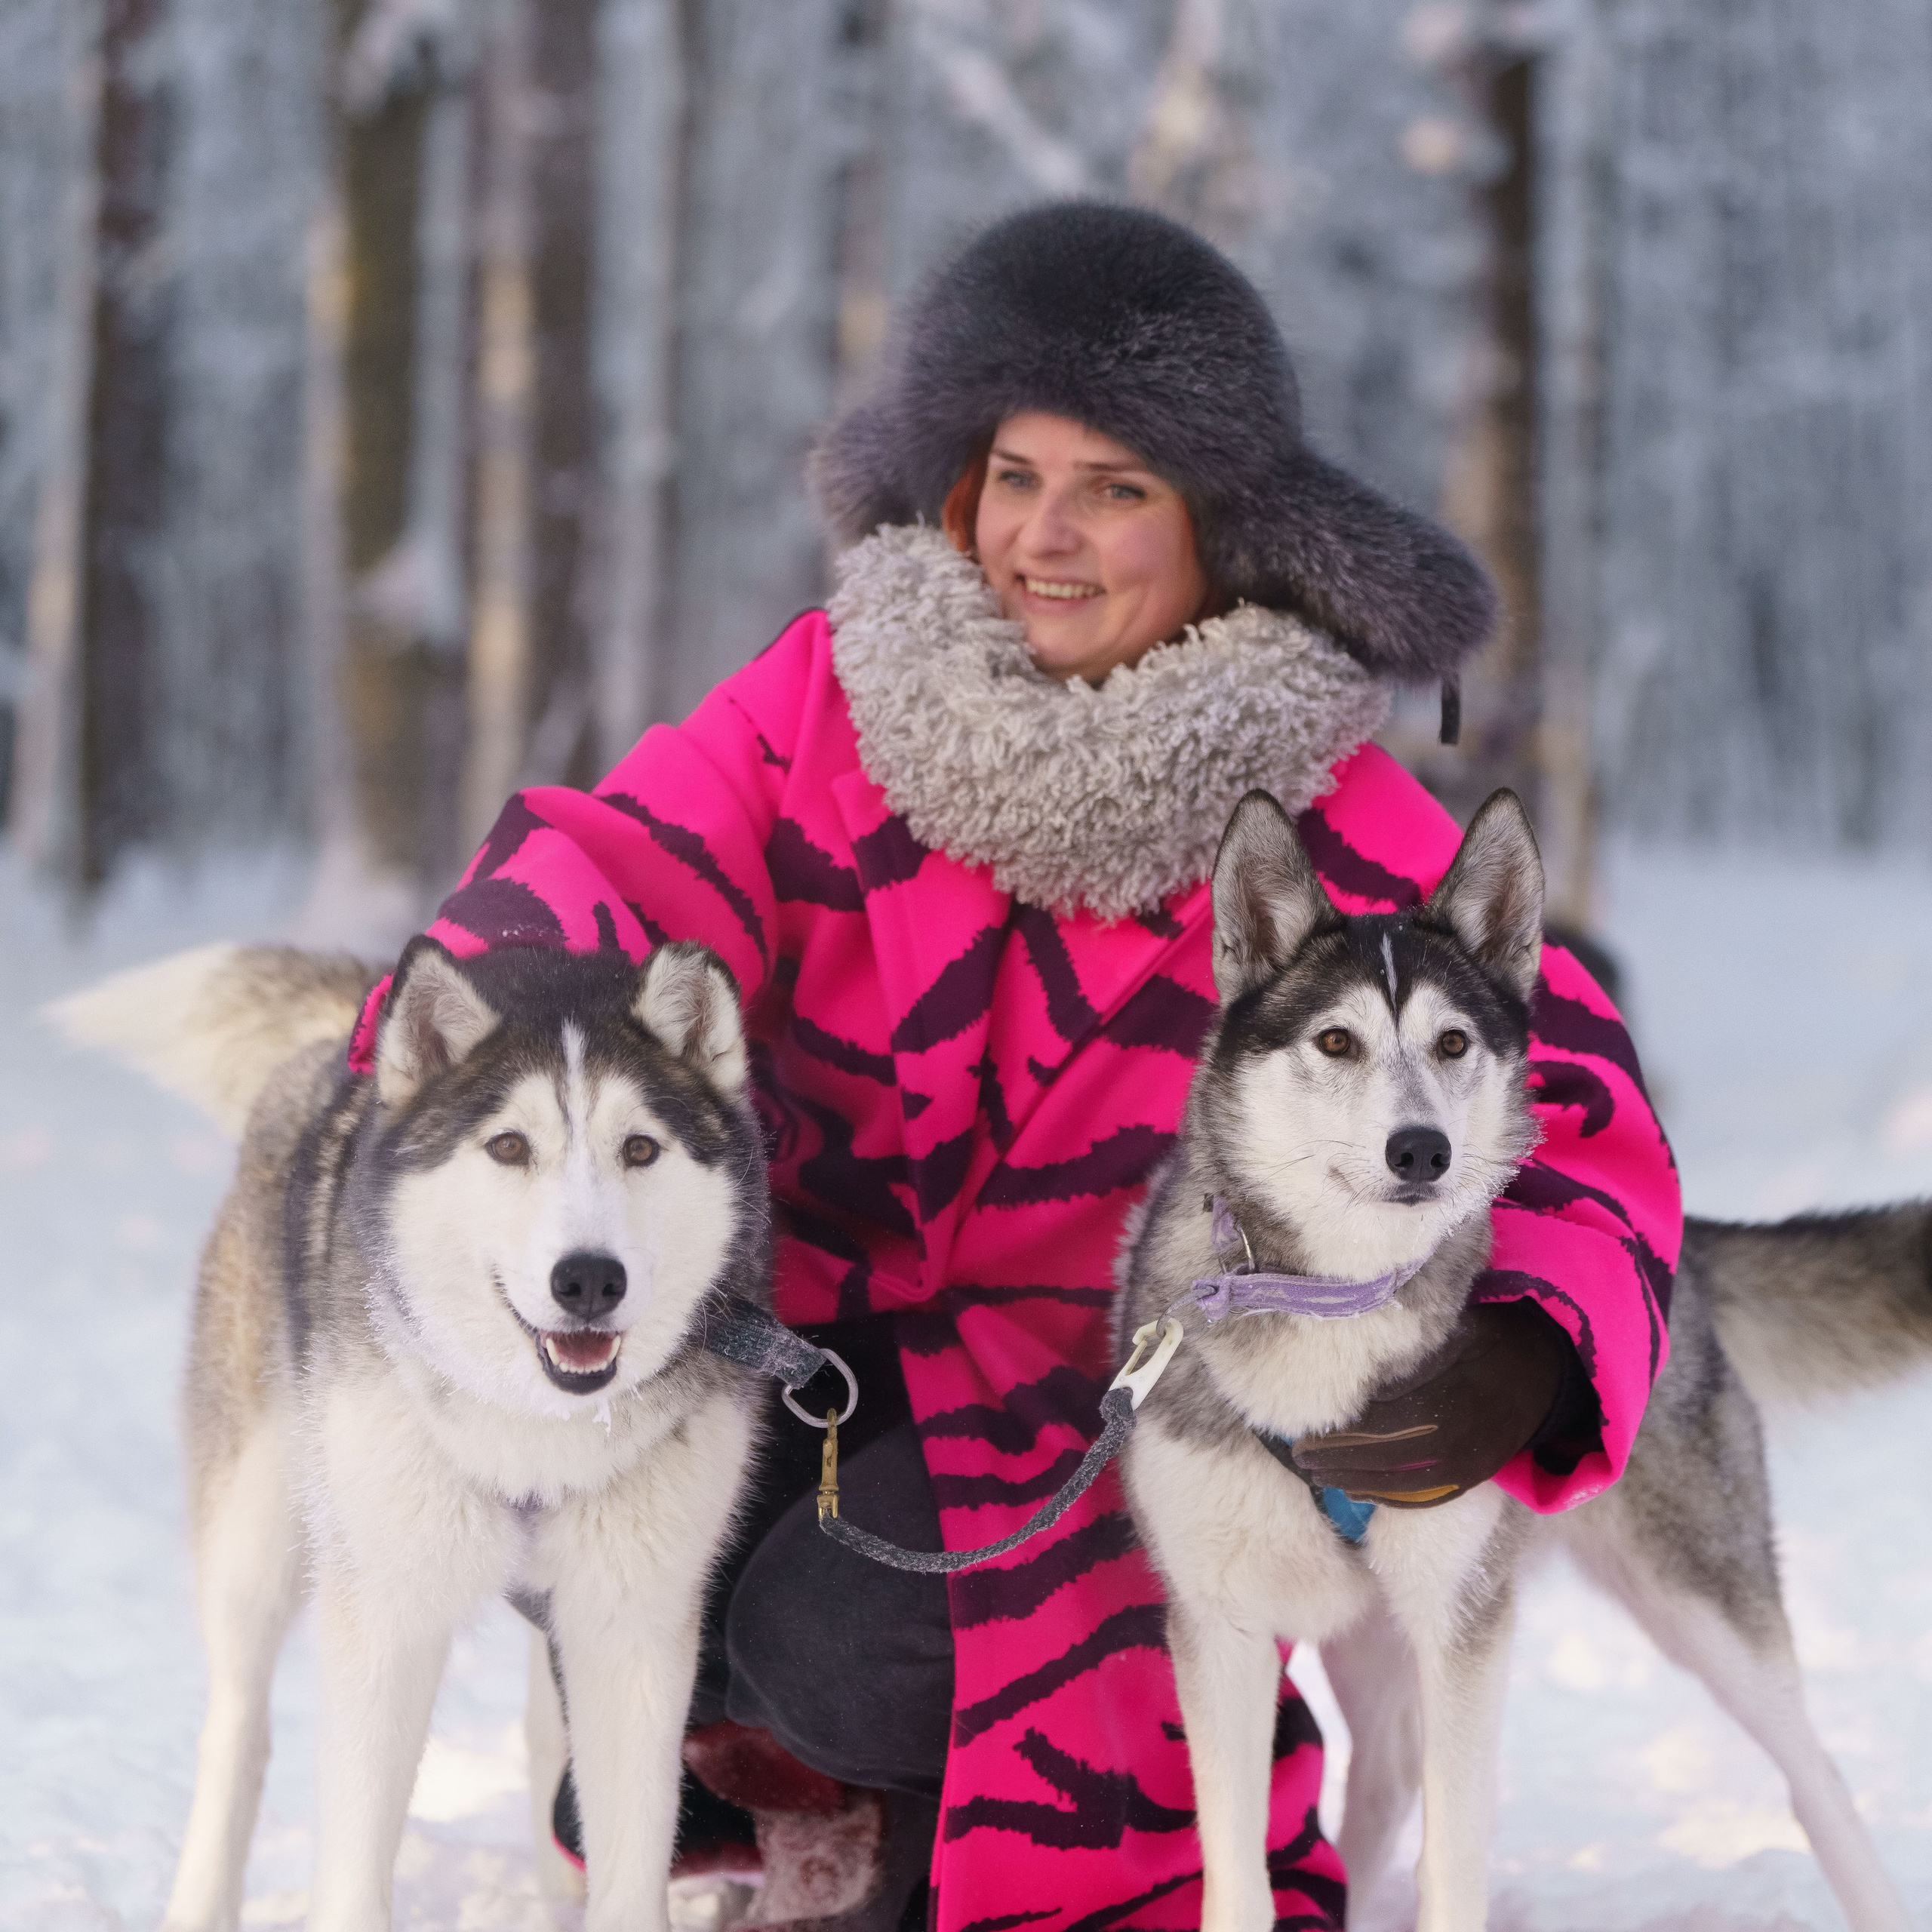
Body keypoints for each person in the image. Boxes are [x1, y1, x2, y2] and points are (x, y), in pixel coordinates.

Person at [348, 203, 1680, 1931]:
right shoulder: (832, 696)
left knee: (835, 1622)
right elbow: (619, 864)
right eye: (1009, 472)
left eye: (1116, 486)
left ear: (1223, 524)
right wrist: (504, 1004)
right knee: (580, 1459)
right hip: (800, 1339)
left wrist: (1531, 1332)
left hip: (1102, 1424)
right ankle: (798, 1810)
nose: (1044, 535)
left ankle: (943, 1833)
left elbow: (1573, 1100)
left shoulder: (1328, 816)